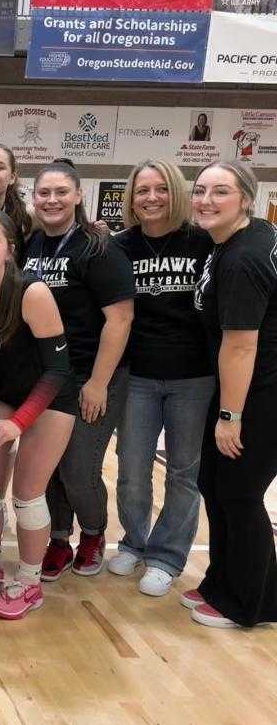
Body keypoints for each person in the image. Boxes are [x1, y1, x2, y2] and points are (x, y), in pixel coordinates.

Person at [0, 211, 76, 619]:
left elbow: (59, 370)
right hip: (2, 391)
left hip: (50, 397)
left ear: (9, 249)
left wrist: (17, 423)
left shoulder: (31, 292)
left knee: (26, 495)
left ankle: (28, 580)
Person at [24, 163, 135, 581]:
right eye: (43, 193)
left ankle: (92, 533)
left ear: (77, 197)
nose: (51, 200)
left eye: (60, 192)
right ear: (33, 199)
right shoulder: (31, 244)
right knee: (47, 465)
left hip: (93, 375)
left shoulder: (98, 247)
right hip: (48, 376)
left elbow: (120, 319)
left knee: (77, 467)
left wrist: (98, 383)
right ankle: (56, 537)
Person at [111, 160, 214, 596]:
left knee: (183, 473)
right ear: (131, 199)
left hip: (194, 377)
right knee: (132, 469)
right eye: (141, 191)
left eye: (160, 189)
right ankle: (134, 542)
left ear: (175, 192)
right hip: (138, 376)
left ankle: (168, 556)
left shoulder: (203, 242)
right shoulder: (120, 246)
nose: (150, 198)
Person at [189, 161, 277, 628]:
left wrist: (231, 415)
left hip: (258, 395)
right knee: (216, 486)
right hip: (240, 390)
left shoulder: (243, 259)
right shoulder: (240, 238)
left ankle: (251, 605)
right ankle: (221, 583)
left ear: (246, 197)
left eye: (220, 192)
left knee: (240, 494)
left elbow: (242, 343)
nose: (205, 200)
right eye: (200, 190)